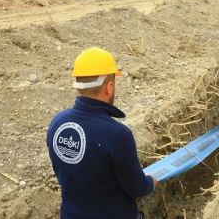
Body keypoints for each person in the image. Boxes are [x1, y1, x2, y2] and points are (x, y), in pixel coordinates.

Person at [47, 47, 158, 219]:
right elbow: (136, 188)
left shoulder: (57, 123)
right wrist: (150, 181)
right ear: (109, 87)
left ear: (78, 88)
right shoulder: (118, 135)